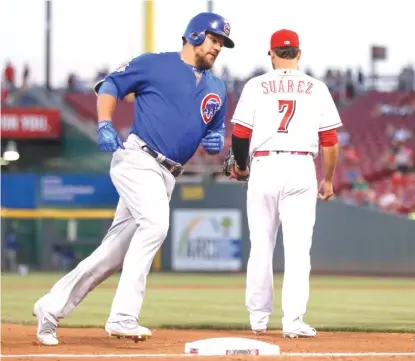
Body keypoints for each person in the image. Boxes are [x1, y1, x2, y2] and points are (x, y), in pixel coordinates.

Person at [33, 12, 234, 346]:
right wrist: (104, 123)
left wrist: (215, 137)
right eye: (214, 40)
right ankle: (123, 316)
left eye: (222, 44)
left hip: (168, 175)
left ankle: (49, 308)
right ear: (194, 35)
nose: (217, 48)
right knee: (156, 225)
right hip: (138, 159)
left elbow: (213, 127)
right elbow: (111, 85)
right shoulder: (155, 64)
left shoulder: (217, 86)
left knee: (111, 255)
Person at [228, 29, 342, 338]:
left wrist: (241, 166)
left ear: (272, 53)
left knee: (261, 246)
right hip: (301, 165)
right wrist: (328, 179)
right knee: (298, 250)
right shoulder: (316, 88)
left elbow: (240, 133)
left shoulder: (256, 85)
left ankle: (258, 319)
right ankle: (293, 322)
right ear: (299, 54)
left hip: (264, 164)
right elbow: (330, 140)